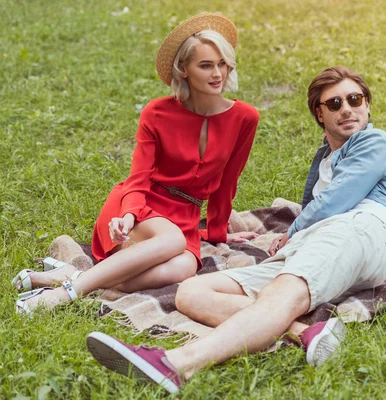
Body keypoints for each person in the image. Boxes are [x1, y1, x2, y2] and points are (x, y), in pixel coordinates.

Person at [85, 66, 386, 394]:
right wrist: (296, 236)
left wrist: (292, 230)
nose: (348, 108)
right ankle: (304, 333)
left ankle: (175, 365)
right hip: (319, 244)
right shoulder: (325, 160)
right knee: (192, 293)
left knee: (284, 293)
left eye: (356, 99)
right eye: (335, 103)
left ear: (367, 104)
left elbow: (339, 199)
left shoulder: (376, 142)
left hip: (361, 229)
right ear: (320, 114)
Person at [12, 13, 259, 313]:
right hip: (141, 205)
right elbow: (139, 177)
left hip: (185, 217)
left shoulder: (245, 117)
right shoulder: (156, 113)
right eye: (205, 65)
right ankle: (64, 295)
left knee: (182, 267)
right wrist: (128, 216)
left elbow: (227, 182)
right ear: (183, 69)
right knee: (171, 242)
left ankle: (73, 276)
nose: (217, 73)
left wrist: (218, 232)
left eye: (222, 63)